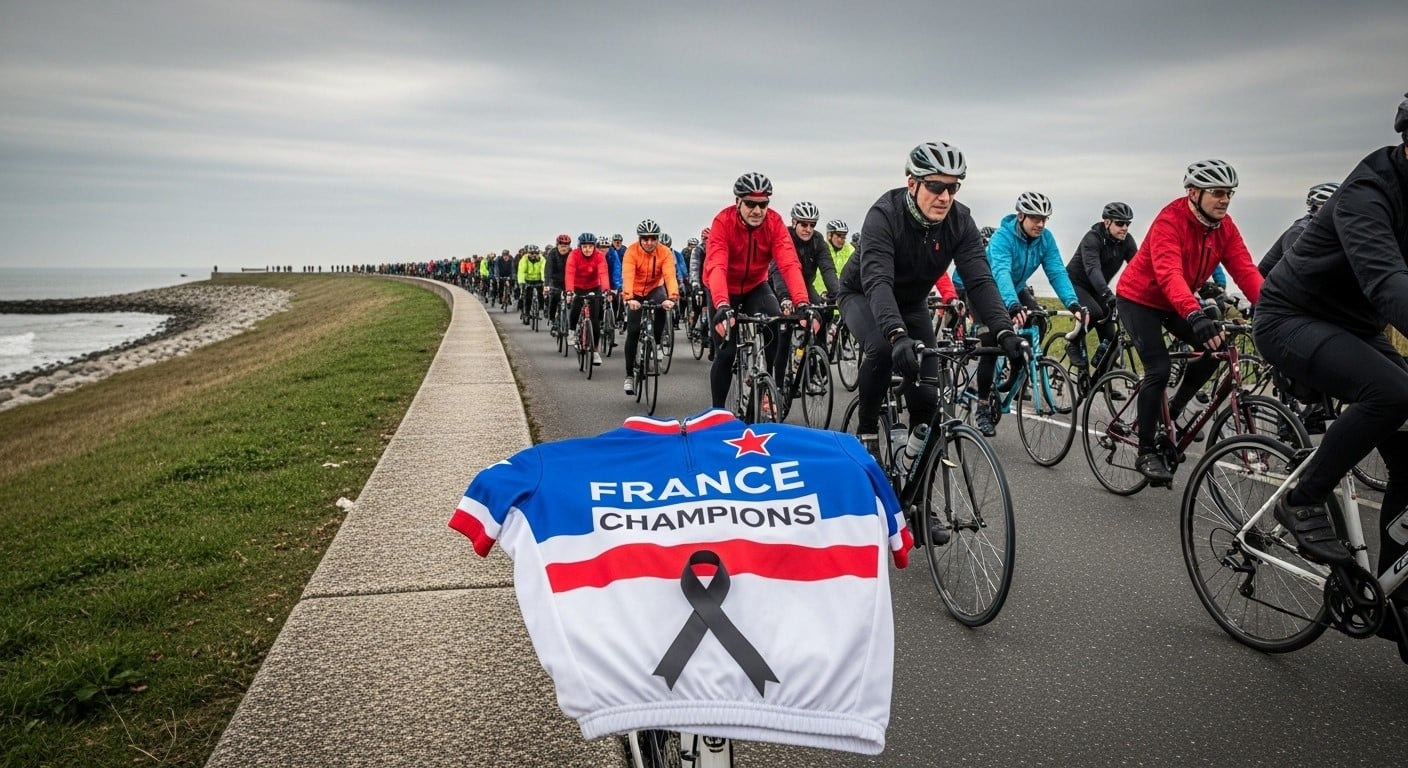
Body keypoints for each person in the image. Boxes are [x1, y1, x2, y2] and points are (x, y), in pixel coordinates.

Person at [1252, 95, 1408, 595]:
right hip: (1291, 317)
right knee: (1392, 393)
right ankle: (1304, 499)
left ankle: (1390, 593)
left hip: (1355, 326)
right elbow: (1388, 282)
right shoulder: (1371, 190)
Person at [836, 141, 1024, 541]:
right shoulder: (883, 216)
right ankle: (868, 429)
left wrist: (1004, 330)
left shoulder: (960, 221)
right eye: (936, 186)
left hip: (913, 303)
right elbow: (878, 282)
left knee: (929, 404)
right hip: (864, 295)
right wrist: (896, 333)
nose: (945, 196)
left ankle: (919, 505)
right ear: (912, 183)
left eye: (953, 188)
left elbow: (979, 279)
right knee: (885, 348)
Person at [1115, 159, 1262, 485]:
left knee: (1217, 349)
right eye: (1218, 193)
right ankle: (1146, 450)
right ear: (1194, 193)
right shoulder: (1170, 220)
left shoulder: (1224, 228)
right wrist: (1195, 313)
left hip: (1175, 302)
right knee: (1159, 367)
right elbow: (1169, 273)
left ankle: (1177, 411)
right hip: (1139, 299)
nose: (1225, 200)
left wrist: (1270, 308)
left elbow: (1246, 270)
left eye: (1229, 194)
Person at [955, 191, 1085, 437]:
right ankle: (982, 406)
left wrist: (1073, 304)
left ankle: (1018, 366)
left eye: (1045, 219)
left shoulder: (1046, 239)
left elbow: (1056, 271)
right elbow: (1001, 272)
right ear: (1021, 215)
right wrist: (1013, 306)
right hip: (986, 292)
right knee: (991, 345)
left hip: (1016, 288)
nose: (1041, 224)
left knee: (1039, 320)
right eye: (1035, 218)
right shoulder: (1003, 238)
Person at [703, 172, 815, 412]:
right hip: (723, 288)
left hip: (755, 285)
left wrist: (803, 303)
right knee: (726, 352)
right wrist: (722, 304)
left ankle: (767, 388)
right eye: (751, 204)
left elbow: (788, 263)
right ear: (738, 203)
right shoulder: (723, 222)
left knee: (775, 323)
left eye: (763, 204)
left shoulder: (774, 223)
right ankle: (717, 414)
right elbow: (717, 265)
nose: (757, 210)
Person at [1064, 202, 1138, 376]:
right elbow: (1093, 269)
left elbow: (1138, 268)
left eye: (1128, 224)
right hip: (1076, 284)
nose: (1125, 228)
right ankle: (1073, 343)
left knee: (1111, 342)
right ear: (1107, 223)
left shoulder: (1127, 242)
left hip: (1097, 289)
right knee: (1096, 313)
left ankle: (1098, 383)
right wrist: (1107, 294)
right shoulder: (1092, 238)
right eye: (1120, 223)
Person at [621, 219, 680, 394]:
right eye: (645, 239)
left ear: (657, 238)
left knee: (663, 306)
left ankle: (656, 343)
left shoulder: (665, 252)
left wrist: (673, 297)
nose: (649, 242)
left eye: (653, 238)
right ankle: (629, 375)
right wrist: (629, 298)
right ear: (640, 239)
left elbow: (670, 276)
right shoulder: (631, 251)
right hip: (636, 292)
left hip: (655, 288)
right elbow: (628, 276)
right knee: (633, 331)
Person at [1260, 182, 1340, 277]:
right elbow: (1295, 271)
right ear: (1316, 207)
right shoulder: (1299, 232)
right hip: (1270, 287)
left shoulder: (1324, 230)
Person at [565, 232, 612, 366]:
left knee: (595, 320)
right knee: (575, 307)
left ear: (594, 247)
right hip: (577, 286)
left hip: (593, 287)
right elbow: (569, 273)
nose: (587, 249)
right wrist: (569, 291)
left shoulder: (599, 256)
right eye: (584, 247)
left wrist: (606, 290)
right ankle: (572, 331)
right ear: (580, 247)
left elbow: (603, 273)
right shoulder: (574, 255)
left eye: (590, 247)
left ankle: (595, 351)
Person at [545, 234, 571, 334]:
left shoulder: (572, 254)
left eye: (566, 245)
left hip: (568, 281)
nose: (564, 248)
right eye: (561, 245)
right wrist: (547, 284)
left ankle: (570, 323)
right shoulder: (552, 253)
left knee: (572, 301)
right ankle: (552, 320)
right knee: (554, 298)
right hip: (555, 281)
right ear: (557, 245)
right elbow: (548, 269)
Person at [517, 245, 545, 318]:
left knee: (541, 295)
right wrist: (522, 282)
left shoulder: (542, 259)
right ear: (528, 253)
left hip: (538, 280)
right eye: (532, 253)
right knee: (527, 297)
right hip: (527, 280)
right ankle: (527, 313)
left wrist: (544, 281)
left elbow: (543, 270)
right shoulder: (524, 259)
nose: (534, 255)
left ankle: (539, 309)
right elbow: (521, 272)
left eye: (536, 253)